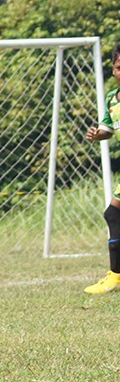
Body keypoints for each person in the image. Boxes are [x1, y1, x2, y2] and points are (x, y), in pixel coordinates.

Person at [83, 43, 120, 293]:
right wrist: (98, 134)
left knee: (113, 213)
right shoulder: (112, 98)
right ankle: (116, 277)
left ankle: (116, 277)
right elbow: (110, 128)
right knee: (113, 214)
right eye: (119, 67)